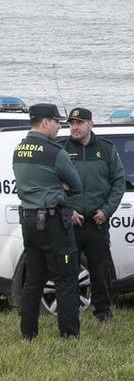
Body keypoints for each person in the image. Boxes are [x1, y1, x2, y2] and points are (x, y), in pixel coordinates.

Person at [12, 103, 83, 339]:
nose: (59, 126)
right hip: (53, 222)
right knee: (65, 278)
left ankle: (28, 334)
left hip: (30, 221)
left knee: (34, 280)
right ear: (45, 122)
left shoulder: (19, 149)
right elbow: (76, 185)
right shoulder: (55, 152)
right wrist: (59, 187)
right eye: (56, 121)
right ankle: (69, 335)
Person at [61, 107, 125, 323]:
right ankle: (69, 312)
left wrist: (106, 211)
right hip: (71, 222)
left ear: (90, 124)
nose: (74, 127)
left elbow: (119, 183)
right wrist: (68, 210)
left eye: (79, 123)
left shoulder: (106, 149)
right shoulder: (62, 149)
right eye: (71, 123)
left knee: (100, 270)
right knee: (69, 270)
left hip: (97, 222)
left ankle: (102, 311)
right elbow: (53, 185)